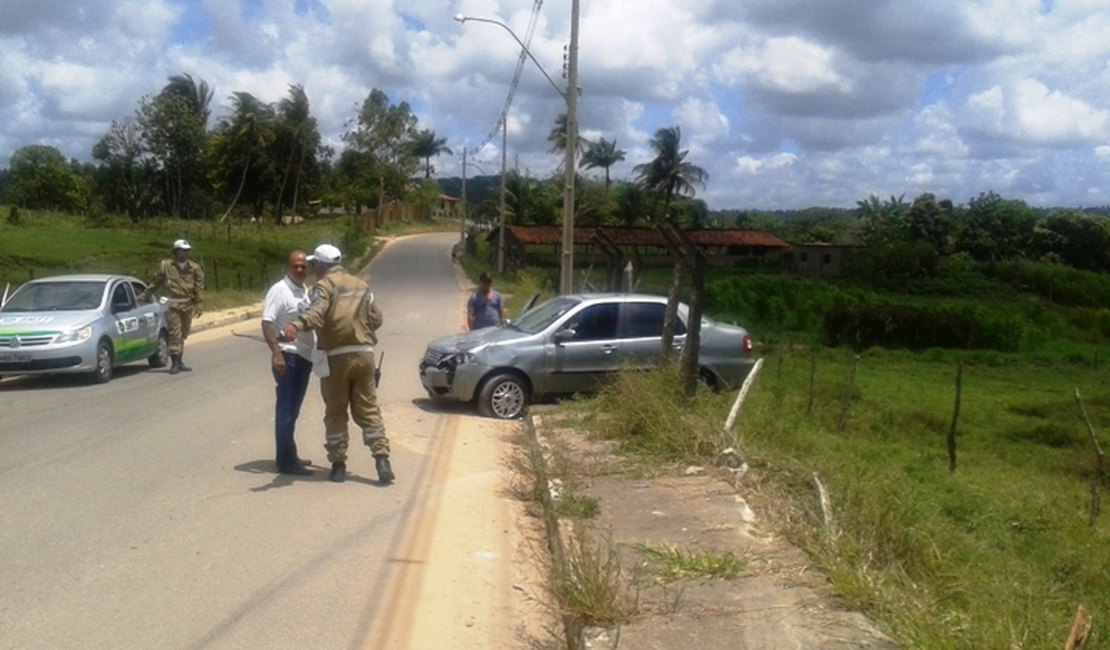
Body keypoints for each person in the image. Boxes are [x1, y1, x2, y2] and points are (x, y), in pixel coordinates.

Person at [282, 244, 394, 484]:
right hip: (364, 355)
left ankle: (338, 465)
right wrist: (359, 330)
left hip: (336, 358)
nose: (312, 269)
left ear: (321, 266)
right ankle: (382, 459)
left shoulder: (323, 287)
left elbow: (316, 313)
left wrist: (296, 326)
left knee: (336, 412)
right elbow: (377, 318)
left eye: (313, 265)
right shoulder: (362, 285)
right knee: (369, 410)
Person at [261, 250, 315, 476]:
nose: (300, 269)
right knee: (286, 411)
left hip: (303, 357)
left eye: (303, 266)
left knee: (293, 411)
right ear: (287, 268)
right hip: (288, 357)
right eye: (296, 266)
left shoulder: (303, 291)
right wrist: (276, 353)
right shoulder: (279, 290)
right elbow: (267, 323)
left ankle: (288, 454)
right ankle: (286, 462)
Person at [139, 239, 204, 374]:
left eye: (187, 250)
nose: (186, 253)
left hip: (187, 304)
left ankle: (179, 360)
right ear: (176, 251)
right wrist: (144, 296)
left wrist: (199, 303)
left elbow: (199, 287)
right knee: (174, 333)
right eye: (183, 250)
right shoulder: (166, 266)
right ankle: (174, 362)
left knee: (183, 334)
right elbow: (156, 283)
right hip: (172, 304)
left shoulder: (194, 268)